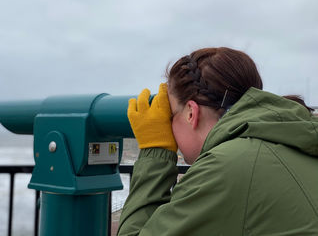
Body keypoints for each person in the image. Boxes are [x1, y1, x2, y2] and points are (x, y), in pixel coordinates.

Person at [117, 47, 318, 235]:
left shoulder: (226, 167)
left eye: (169, 115)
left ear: (190, 113)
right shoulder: (296, 138)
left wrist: (155, 150)